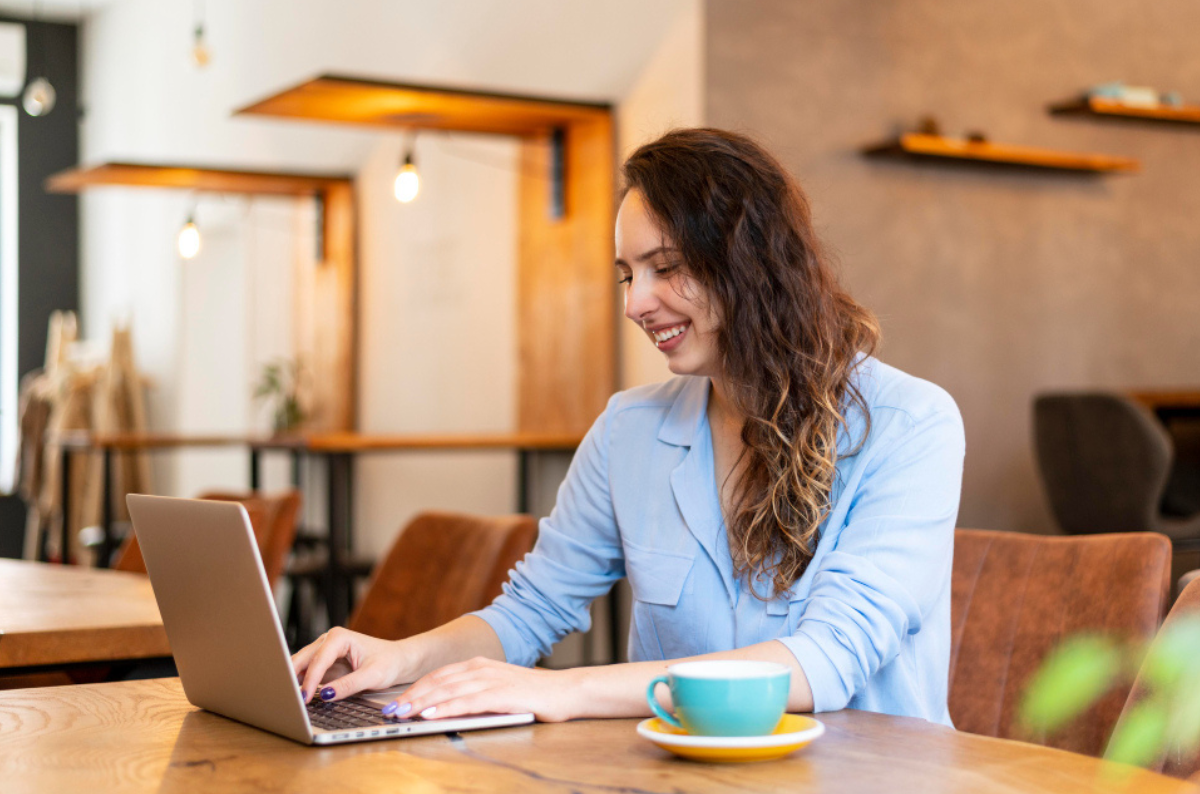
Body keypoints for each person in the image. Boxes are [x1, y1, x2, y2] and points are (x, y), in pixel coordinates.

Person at [294, 128, 965, 726]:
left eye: (665, 268)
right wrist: (399, 657)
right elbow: (531, 610)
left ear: (751, 262)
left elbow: (825, 661)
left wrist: (567, 689)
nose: (636, 303)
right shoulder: (629, 430)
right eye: (627, 275)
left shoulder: (912, 426)